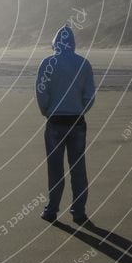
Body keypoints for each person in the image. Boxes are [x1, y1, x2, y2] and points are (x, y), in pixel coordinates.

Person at [35, 24, 95, 224]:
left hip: (55, 122)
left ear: (54, 42)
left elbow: (41, 92)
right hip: (77, 122)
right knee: (78, 168)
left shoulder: (47, 63)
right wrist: (80, 110)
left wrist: (47, 111)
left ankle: (51, 210)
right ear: (73, 43)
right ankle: (79, 211)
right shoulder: (84, 64)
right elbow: (90, 95)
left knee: (55, 168)